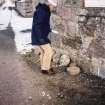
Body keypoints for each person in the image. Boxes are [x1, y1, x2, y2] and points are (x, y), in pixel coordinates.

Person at [31, 0, 57, 75]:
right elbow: (37, 25)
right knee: (49, 51)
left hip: (40, 35)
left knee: (43, 51)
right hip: (40, 36)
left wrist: (49, 29)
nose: (54, 9)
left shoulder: (44, 10)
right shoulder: (43, 11)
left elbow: (43, 24)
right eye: (54, 7)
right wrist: (40, 37)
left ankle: (44, 67)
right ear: (50, 5)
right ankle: (46, 68)